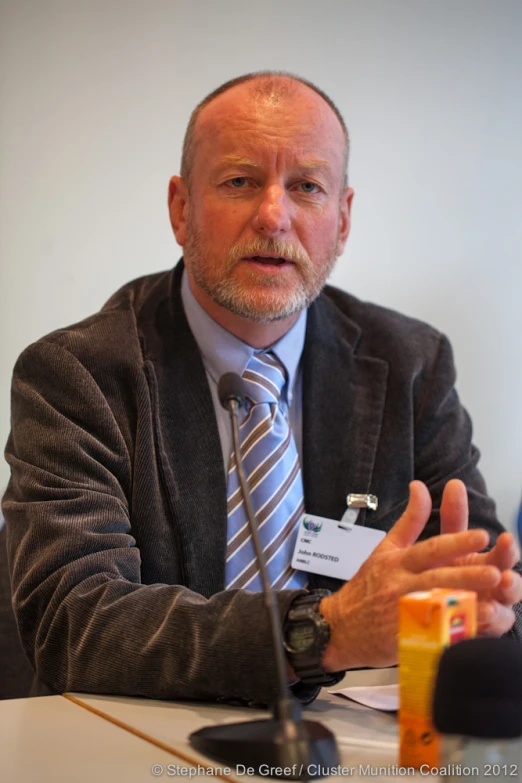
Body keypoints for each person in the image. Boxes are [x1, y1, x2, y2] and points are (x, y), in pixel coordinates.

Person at [3, 71, 522, 706]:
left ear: (343, 218)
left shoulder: (412, 364)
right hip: (139, 742)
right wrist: (322, 633)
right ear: (181, 207)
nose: (274, 216)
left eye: (307, 187)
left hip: (355, 749)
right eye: (240, 182)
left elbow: (491, 586)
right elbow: (72, 621)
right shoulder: (78, 373)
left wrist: (486, 611)